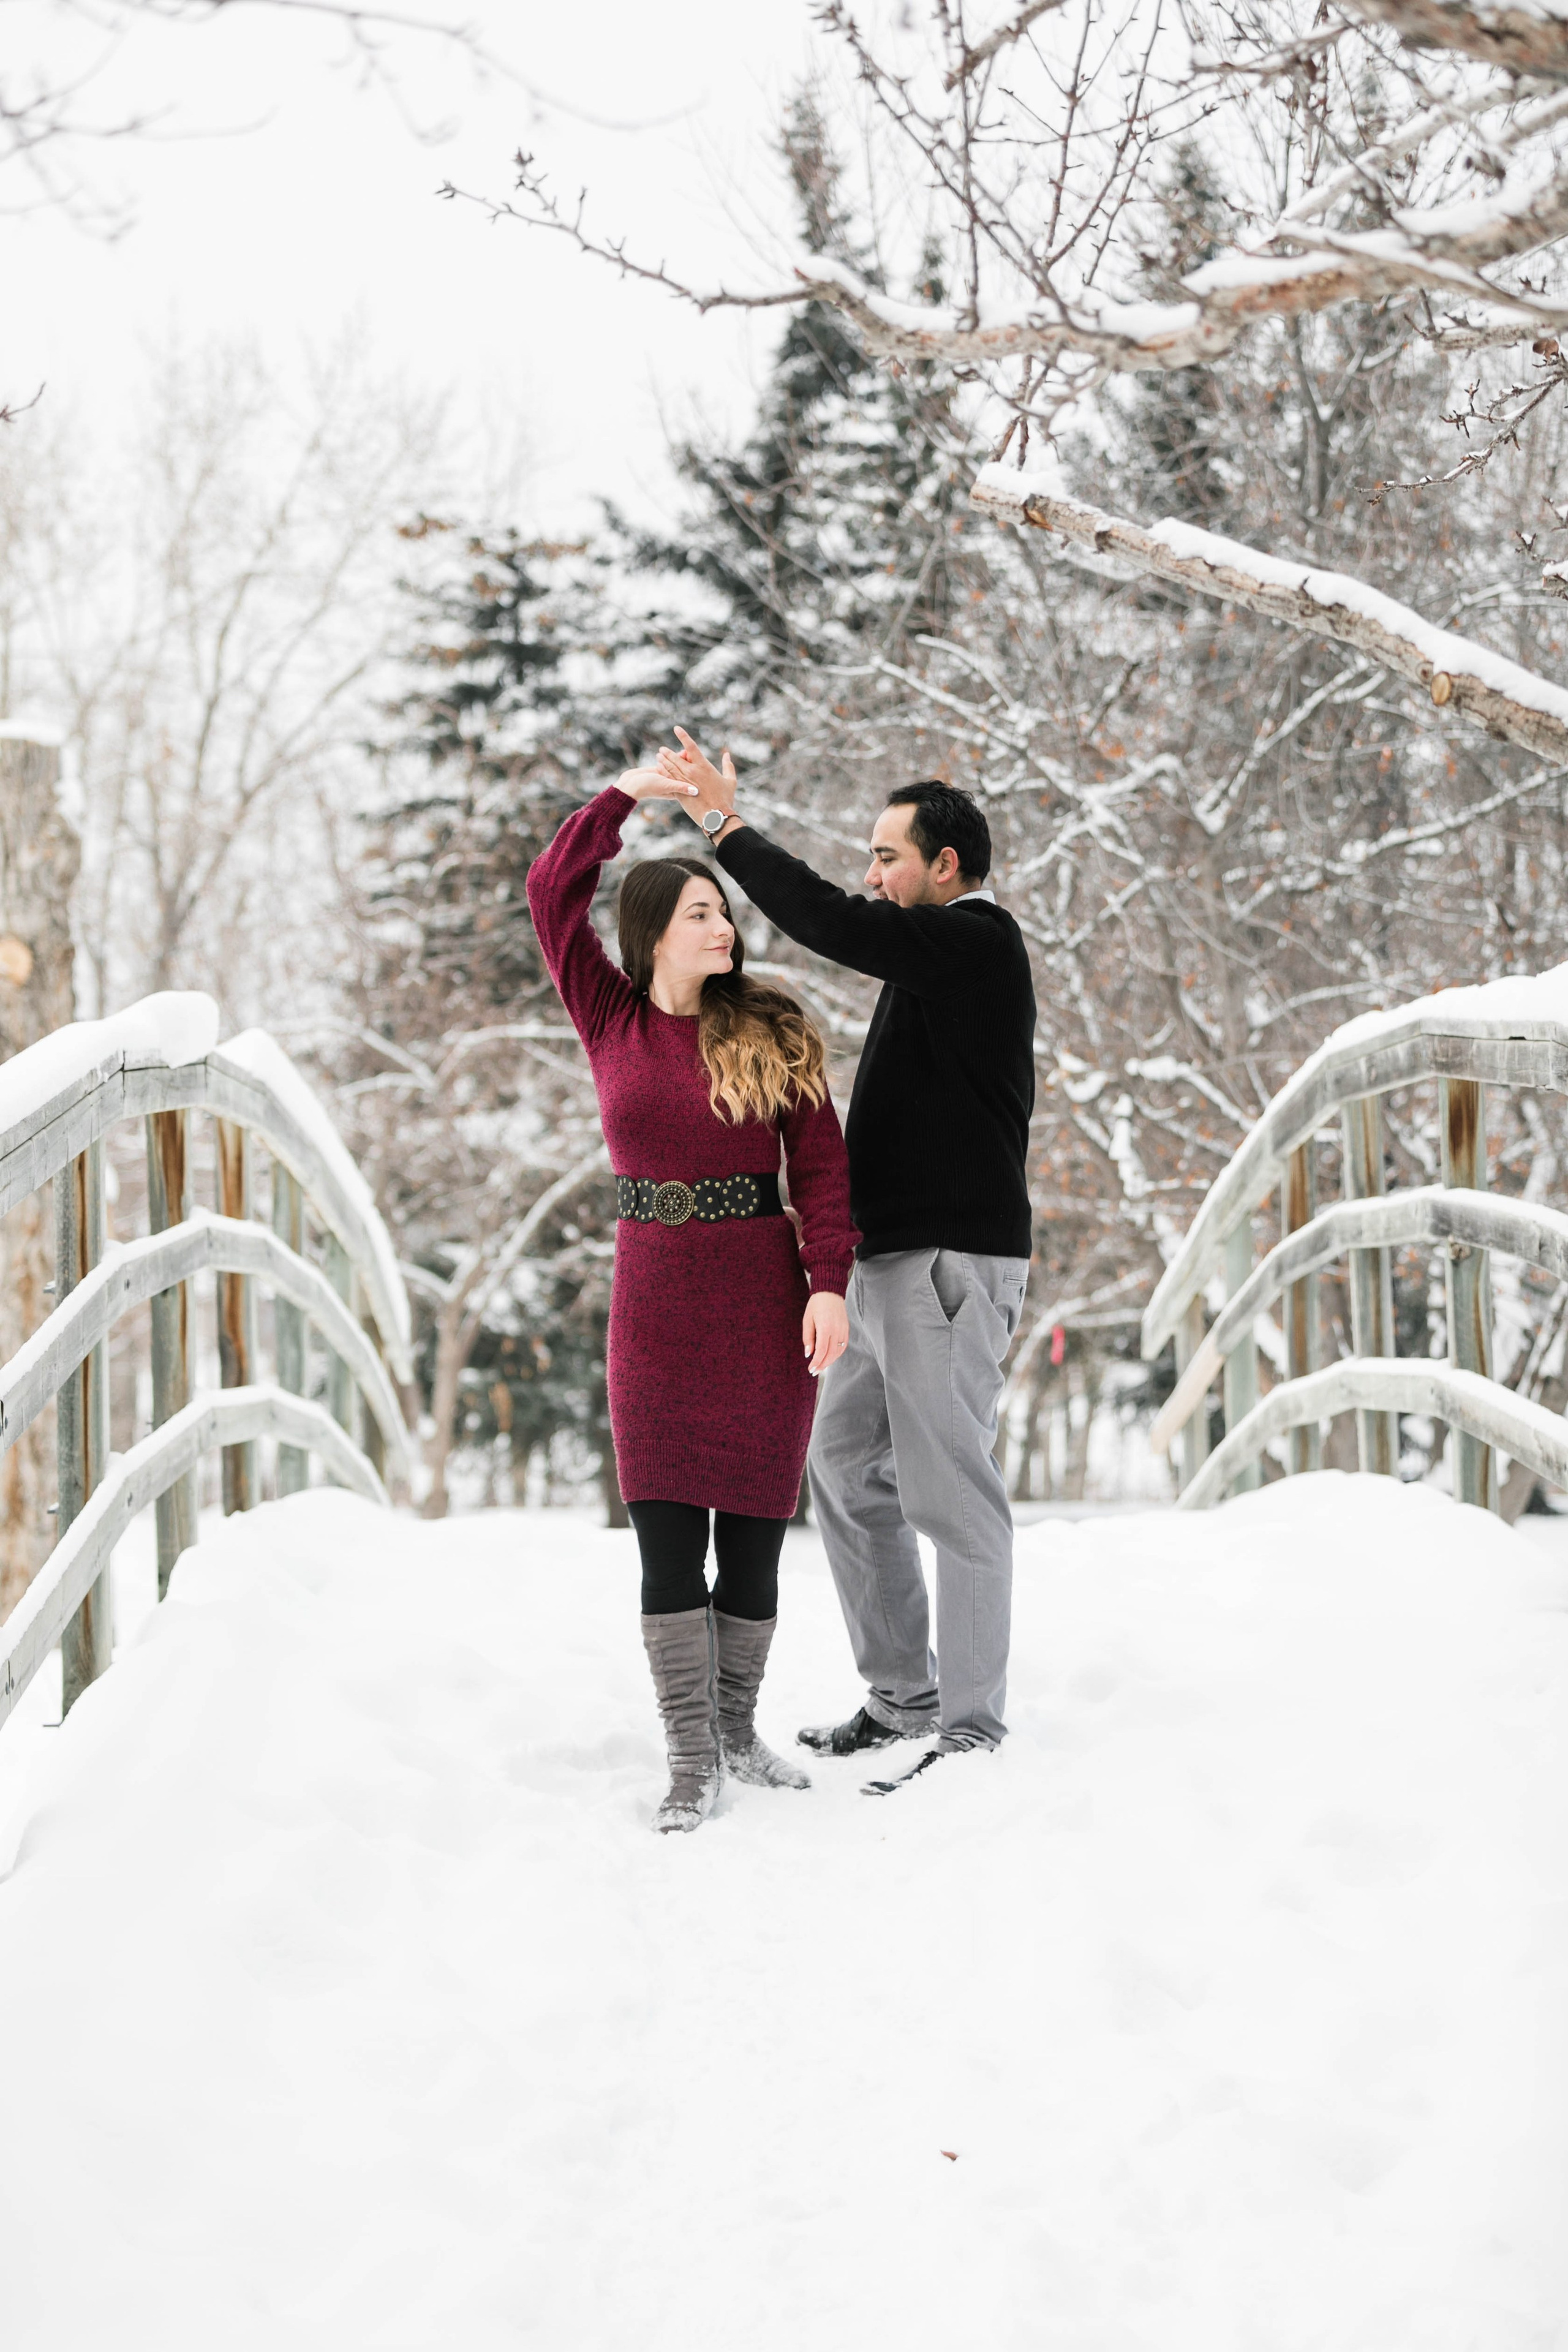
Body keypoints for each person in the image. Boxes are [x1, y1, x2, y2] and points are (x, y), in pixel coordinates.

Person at [657, 729, 1035, 1795]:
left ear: (944, 866)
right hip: (884, 1264)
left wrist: (725, 828)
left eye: (887, 857)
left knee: (950, 1493)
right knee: (839, 1470)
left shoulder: (974, 942)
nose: (873, 874)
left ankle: (969, 1731)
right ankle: (902, 1697)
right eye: (870, 858)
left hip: (949, 1267)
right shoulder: (931, 960)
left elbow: (826, 918)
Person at [526, 766, 858, 1833]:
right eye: (704, 912)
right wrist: (623, 797)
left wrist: (828, 1286)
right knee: (668, 1544)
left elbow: (821, 1171)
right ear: (655, 931)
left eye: (726, 911)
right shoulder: (608, 1017)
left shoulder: (773, 1027)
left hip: (763, 1302)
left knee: (754, 1541)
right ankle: (688, 1755)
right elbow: (549, 890)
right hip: (654, 1310)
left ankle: (733, 1729)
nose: (725, 926)